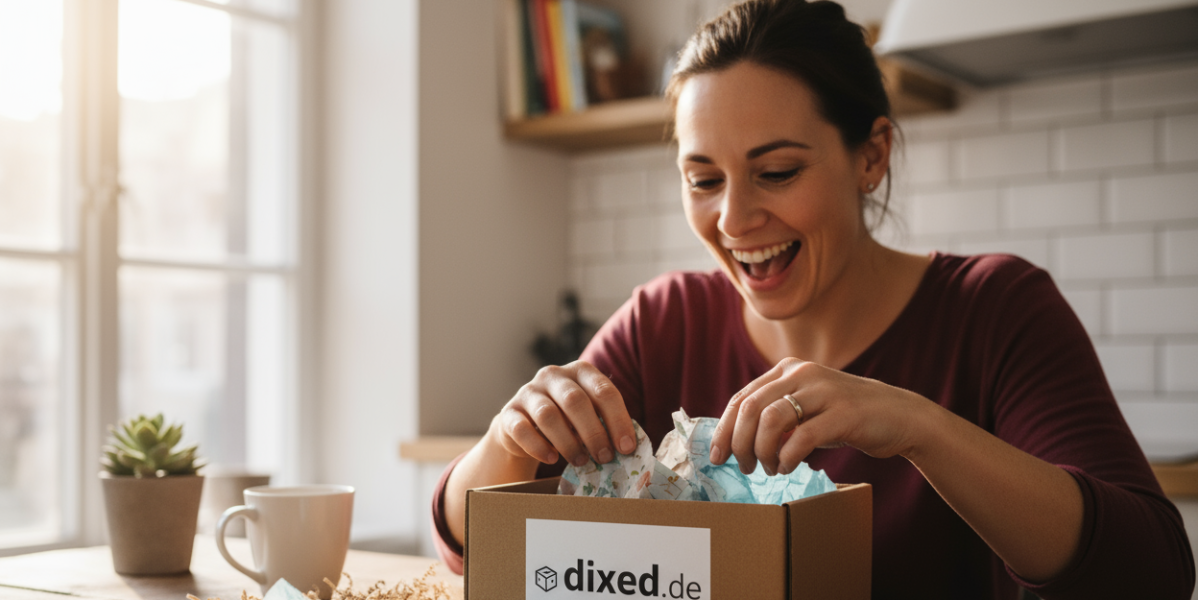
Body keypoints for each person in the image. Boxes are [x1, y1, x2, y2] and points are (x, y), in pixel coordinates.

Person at [430, 1, 1196, 598]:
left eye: (778, 171)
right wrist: (509, 441)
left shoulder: (995, 309)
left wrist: (917, 426)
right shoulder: (665, 322)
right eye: (703, 180)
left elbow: (1153, 575)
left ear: (871, 156)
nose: (733, 220)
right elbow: (472, 553)